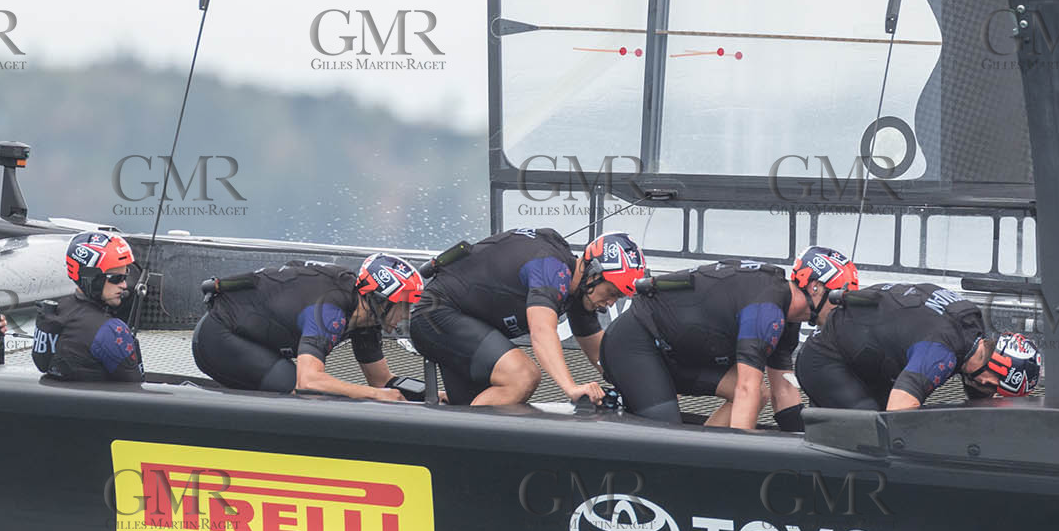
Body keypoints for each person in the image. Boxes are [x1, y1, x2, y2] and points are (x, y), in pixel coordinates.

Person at [602, 246, 859, 429]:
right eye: (838, 298)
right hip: (635, 343)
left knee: (760, 394)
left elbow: (784, 392)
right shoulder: (767, 309)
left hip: (675, 351)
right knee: (667, 434)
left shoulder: (787, 317)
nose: (842, 309)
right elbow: (745, 388)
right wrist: (740, 462)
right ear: (815, 288)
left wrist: (805, 438)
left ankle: (700, 465)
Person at [408, 229, 646, 407]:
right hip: (436, 313)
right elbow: (541, 332)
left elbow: (601, 355)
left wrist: (637, 388)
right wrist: (571, 388)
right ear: (593, 273)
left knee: (477, 403)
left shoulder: (578, 289)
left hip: (462, 320)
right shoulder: (551, 268)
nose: (612, 302)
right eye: (613, 292)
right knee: (522, 375)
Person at [191, 253, 423, 399]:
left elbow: (381, 381)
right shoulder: (330, 309)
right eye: (403, 306)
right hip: (219, 337)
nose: (406, 315)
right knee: (313, 396)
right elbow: (309, 381)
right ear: (380, 300)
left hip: (251, 337)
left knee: (333, 393)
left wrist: (431, 395)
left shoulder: (366, 316)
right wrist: (375, 395)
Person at [796, 281, 1042, 410]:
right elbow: (899, 409)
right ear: (989, 381)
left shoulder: (970, 319)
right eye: (996, 392)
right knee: (872, 427)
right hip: (825, 360)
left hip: (866, 350)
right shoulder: (940, 353)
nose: (992, 395)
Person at [32, 232, 144, 381]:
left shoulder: (57, 310)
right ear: (92, 278)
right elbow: (138, 386)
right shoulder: (112, 331)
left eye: (126, 275)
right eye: (116, 278)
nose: (124, 285)